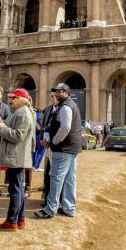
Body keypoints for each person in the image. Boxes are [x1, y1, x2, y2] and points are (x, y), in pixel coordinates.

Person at [35, 83, 82, 219]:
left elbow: (65, 127)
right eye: (55, 91)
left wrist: (55, 141)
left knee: (56, 178)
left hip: (63, 148)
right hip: (72, 148)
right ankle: (68, 208)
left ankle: (50, 209)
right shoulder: (70, 105)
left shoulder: (65, 106)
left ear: (67, 93)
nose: (56, 94)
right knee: (69, 179)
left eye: (60, 91)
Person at [0, 89, 35, 231]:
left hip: (16, 156)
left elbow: (18, 135)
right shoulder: (20, 111)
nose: (10, 100)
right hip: (16, 156)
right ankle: (20, 219)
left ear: (21, 99)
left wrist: (2, 129)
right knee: (18, 189)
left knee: (15, 190)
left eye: (13, 98)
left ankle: (11, 222)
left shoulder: (23, 113)